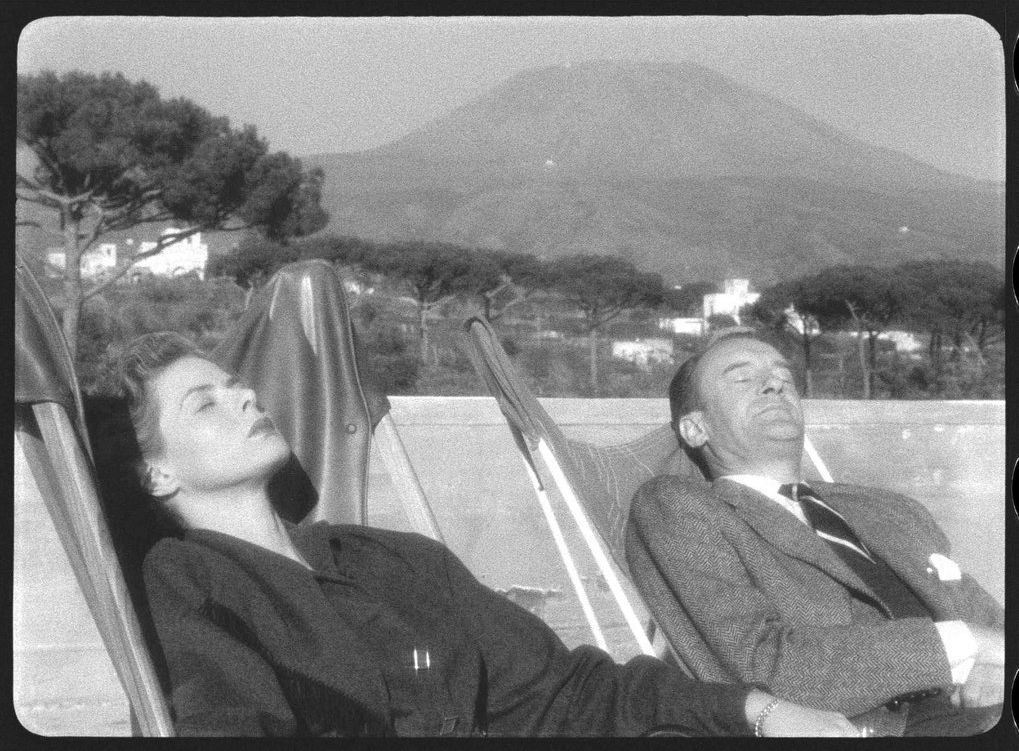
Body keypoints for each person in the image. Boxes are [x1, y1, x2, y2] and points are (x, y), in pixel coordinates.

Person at [116, 331, 856, 738]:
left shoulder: (393, 560)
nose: (245, 395)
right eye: (204, 405)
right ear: (155, 476)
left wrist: (754, 708)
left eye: (237, 384)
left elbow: (568, 693)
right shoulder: (184, 580)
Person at [625, 328, 1005, 736]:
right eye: (742, 378)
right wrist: (966, 645)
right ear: (696, 429)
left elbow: (989, 617)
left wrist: (997, 664)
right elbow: (770, 667)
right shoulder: (681, 508)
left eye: (785, 378)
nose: (774, 384)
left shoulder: (891, 509)